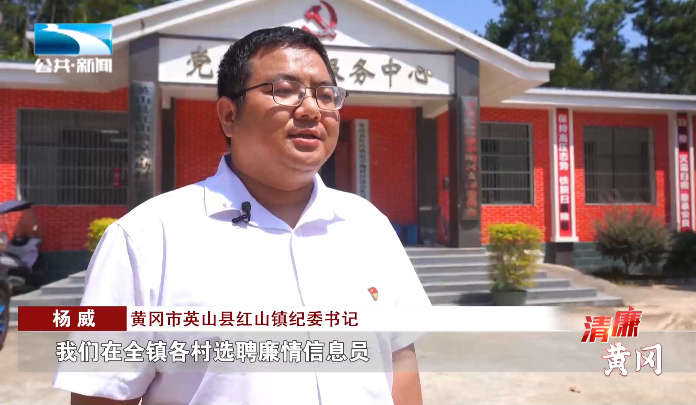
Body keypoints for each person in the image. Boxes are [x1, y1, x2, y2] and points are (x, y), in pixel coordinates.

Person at [53, 26, 431, 405]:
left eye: (325, 94)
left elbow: (400, 363)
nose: (312, 109)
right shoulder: (145, 239)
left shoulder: (369, 226)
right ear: (229, 115)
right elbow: (101, 396)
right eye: (285, 90)